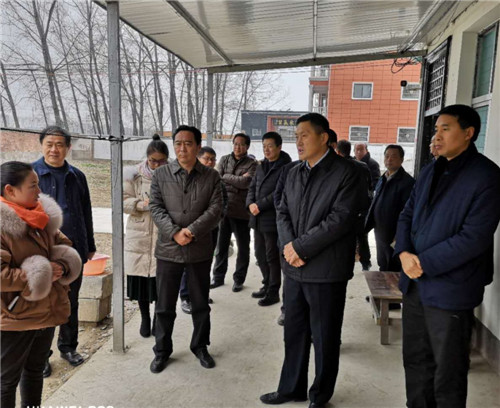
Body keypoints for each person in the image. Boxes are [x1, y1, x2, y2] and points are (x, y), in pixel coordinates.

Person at [394, 104, 500, 408]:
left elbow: (473, 238)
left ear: (468, 133)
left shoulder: (487, 176)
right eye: (436, 129)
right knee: (416, 360)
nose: (436, 136)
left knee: (448, 371)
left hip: (452, 288)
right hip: (415, 285)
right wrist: (403, 253)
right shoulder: (430, 170)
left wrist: (422, 262)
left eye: (445, 128)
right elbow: (407, 214)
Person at [260, 113, 363, 408]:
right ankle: (291, 388)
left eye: (304, 135)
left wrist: (300, 248)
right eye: (296, 136)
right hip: (294, 269)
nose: (299, 141)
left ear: (324, 137)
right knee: (294, 332)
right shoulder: (293, 171)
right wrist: (289, 247)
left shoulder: (348, 172)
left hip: (326, 270)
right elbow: (282, 210)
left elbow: (341, 219)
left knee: (324, 336)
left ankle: (320, 396)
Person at [1, 161, 82, 408]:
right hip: (15, 316)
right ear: (10, 190)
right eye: (33, 186)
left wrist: (63, 266)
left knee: (35, 372)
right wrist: (40, 273)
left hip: (46, 309)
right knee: (6, 381)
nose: (39, 191)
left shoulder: (41, 216)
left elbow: (64, 245)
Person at [149, 125, 223, 374]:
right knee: (164, 305)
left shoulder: (211, 177)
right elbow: (155, 207)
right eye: (178, 143)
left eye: (188, 143)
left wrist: (190, 231)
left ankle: (200, 346)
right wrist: (174, 232)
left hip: (198, 249)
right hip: (168, 250)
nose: (182, 148)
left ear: (198, 146)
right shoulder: (161, 175)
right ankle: (162, 350)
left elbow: (216, 209)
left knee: (200, 303)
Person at [32, 126, 96, 375]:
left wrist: (89, 245)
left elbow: (86, 211)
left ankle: (68, 347)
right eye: (49, 144)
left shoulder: (77, 176)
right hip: (41, 253)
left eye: (59, 144)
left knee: (70, 300)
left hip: (73, 251)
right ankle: (41, 355)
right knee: (42, 303)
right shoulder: (30, 175)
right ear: (41, 145)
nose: (54, 149)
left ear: (68, 147)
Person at [123, 134, 169, 337]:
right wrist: (141, 204)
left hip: (162, 231)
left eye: (161, 161)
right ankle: (144, 317)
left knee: (161, 281)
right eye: (153, 161)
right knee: (141, 280)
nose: (157, 165)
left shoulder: (172, 175)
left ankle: (158, 318)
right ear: (147, 158)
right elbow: (122, 200)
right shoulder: (133, 175)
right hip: (139, 233)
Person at [179, 146, 227, 314]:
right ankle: (186, 296)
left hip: (210, 229)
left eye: (213, 159)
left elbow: (223, 204)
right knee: (188, 263)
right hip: (190, 230)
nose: (210, 162)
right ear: (198, 158)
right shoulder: (189, 177)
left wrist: (216, 219)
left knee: (205, 263)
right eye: (207, 158)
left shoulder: (216, 179)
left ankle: (201, 295)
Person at [247, 132, 291, 306]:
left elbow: (279, 192)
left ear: (279, 147)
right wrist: (250, 203)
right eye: (264, 146)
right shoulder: (261, 166)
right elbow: (252, 187)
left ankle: (273, 291)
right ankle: (266, 284)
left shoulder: (286, 167)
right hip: (257, 218)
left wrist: (259, 205)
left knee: (272, 256)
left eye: (270, 146)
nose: (266, 150)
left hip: (272, 218)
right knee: (259, 254)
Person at [211, 133, 257, 292]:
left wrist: (227, 177)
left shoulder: (252, 164)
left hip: (242, 213)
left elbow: (247, 183)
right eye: (236, 144)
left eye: (241, 144)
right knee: (221, 247)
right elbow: (218, 179)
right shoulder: (224, 160)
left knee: (243, 248)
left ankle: (239, 280)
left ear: (247, 146)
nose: (238, 147)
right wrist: (236, 182)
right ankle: (218, 277)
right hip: (224, 211)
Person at [365, 145, 414, 272]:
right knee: (383, 263)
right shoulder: (383, 178)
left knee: (393, 267)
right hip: (380, 232)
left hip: (394, 235)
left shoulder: (407, 182)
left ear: (401, 160)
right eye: (387, 156)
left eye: (394, 156)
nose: (389, 159)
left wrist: (399, 236)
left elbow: (407, 212)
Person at [336, 139, 372, 271]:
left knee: (344, 237)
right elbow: (370, 186)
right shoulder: (363, 166)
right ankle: (365, 262)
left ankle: (345, 263)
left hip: (344, 208)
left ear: (338, 152)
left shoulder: (338, 167)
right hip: (362, 208)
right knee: (362, 236)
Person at [353, 142, 379, 270]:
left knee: (362, 234)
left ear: (366, 150)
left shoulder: (372, 164)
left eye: (361, 149)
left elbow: (374, 184)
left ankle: (365, 261)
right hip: (353, 204)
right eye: (356, 150)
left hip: (364, 205)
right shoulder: (351, 163)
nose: (358, 152)